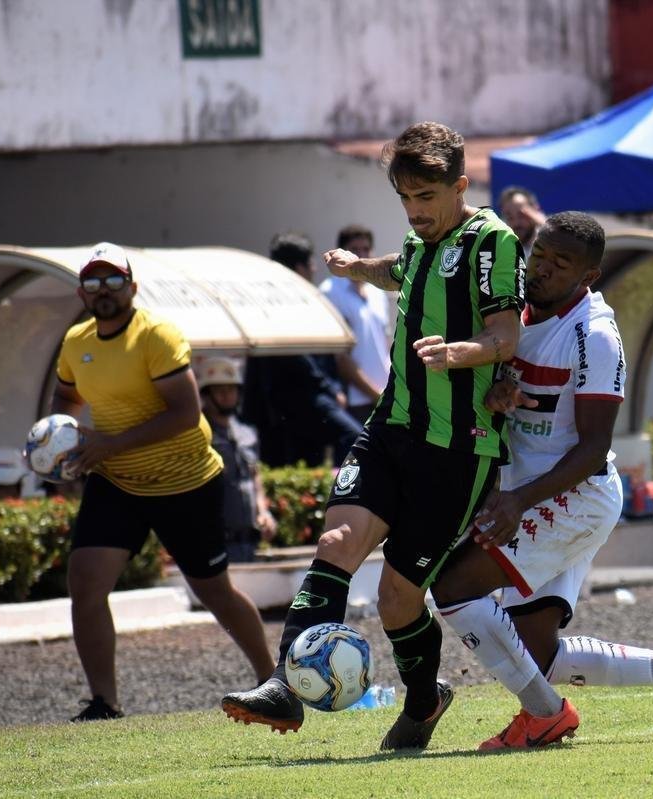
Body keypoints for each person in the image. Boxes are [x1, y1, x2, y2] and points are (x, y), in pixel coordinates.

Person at [221, 122, 524, 749]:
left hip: (458, 448)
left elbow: (506, 337)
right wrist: (359, 267)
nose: (415, 213)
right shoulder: (421, 242)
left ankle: (424, 700)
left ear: (459, 186)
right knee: (335, 540)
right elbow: (404, 268)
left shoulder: (491, 240)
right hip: (391, 428)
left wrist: (461, 354)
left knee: (395, 597)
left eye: (426, 199)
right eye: (405, 200)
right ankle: (283, 683)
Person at [426, 211, 653, 750]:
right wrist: (497, 397)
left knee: (453, 586)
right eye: (540, 255)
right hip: (529, 494)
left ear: (587, 276)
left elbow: (593, 447)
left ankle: (546, 715)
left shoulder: (593, 336)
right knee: (536, 652)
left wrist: (516, 501)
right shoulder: (512, 312)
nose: (542, 269)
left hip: (572, 497)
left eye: (561, 263)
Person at [50, 242, 275, 721]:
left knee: (213, 591)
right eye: (94, 281)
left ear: (132, 287)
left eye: (114, 280)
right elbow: (64, 399)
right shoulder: (76, 343)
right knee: (85, 583)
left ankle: (271, 679)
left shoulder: (157, 335)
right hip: (117, 481)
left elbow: (184, 413)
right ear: (81, 292)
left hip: (185, 481)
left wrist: (108, 443)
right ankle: (103, 703)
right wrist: (58, 448)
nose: (104, 290)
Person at [242, 232, 364, 466]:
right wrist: (330, 390)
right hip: (300, 397)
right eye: (310, 264)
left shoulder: (293, 298)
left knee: (308, 459)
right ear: (298, 268)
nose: (314, 270)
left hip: (294, 403)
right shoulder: (281, 302)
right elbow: (299, 353)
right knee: (353, 437)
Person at [197, 356, 277, 563]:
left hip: (249, 541)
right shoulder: (198, 435)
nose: (227, 396)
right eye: (219, 390)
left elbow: (254, 476)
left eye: (231, 389)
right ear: (206, 395)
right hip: (216, 540)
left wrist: (264, 511)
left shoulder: (247, 433)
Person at [318, 225, 392, 425]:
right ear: (342, 252)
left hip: (384, 397)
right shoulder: (329, 292)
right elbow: (340, 358)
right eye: (354, 250)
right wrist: (375, 393)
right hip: (354, 401)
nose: (361, 255)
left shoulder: (378, 292)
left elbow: (385, 344)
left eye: (366, 249)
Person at [499, 186, 546, 260]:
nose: (516, 223)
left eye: (522, 215)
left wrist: (544, 225)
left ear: (535, 212)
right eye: (510, 217)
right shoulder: (501, 251)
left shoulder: (550, 246)